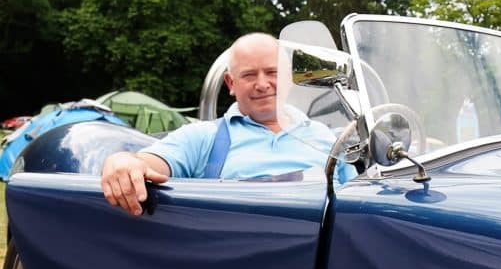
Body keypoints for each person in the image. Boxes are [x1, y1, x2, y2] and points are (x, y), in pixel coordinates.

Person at [101, 33, 356, 215]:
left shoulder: (328, 137)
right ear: (231, 84)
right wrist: (123, 161)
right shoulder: (203, 136)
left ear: (289, 78)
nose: (262, 84)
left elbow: (353, 204)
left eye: (272, 72)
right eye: (248, 75)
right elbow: (147, 163)